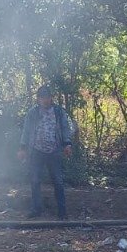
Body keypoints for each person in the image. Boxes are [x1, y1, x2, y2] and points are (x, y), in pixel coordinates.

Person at [18, 84, 76, 219]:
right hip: (36, 151)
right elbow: (26, 131)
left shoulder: (58, 112)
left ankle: (62, 212)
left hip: (54, 151)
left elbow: (65, 128)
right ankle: (36, 209)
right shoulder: (33, 113)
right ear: (38, 99)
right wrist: (22, 147)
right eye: (42, 98)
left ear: (51, 98)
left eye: (47, 97)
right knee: (35, 180)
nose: (45, 100)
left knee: (58, 181)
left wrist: (67, 144)